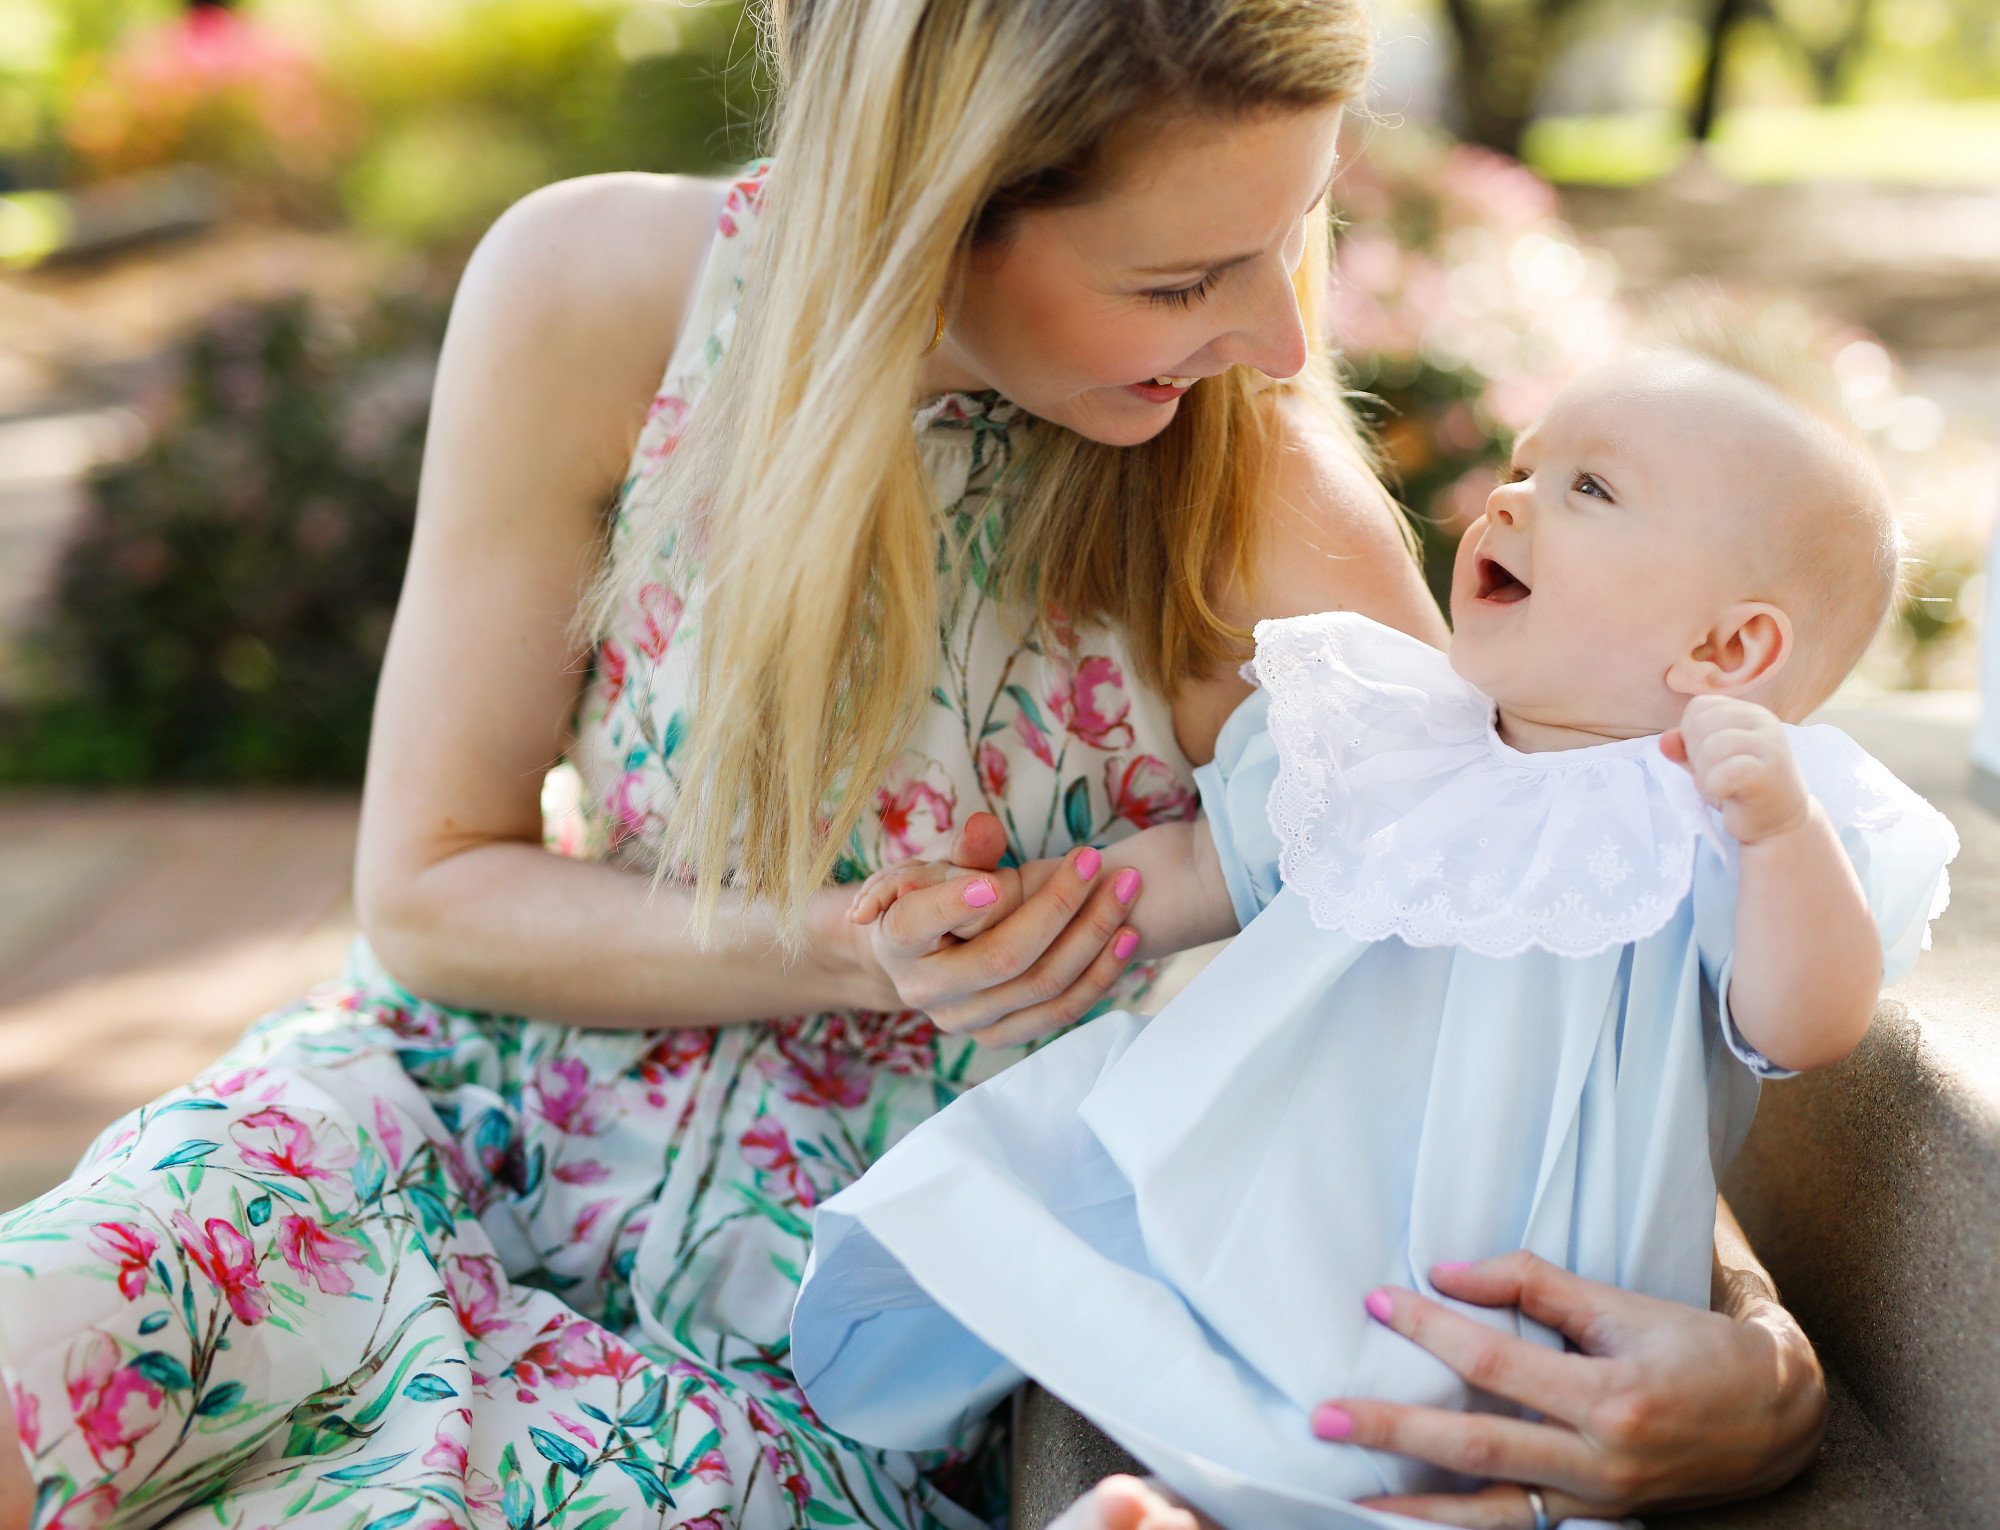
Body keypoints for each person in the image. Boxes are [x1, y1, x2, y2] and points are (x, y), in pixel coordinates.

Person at [0, 4, 1826, 1529]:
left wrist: (1760, 1362)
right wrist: (834, 948)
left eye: (1295, 234)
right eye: (1183, 274)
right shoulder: (598, 295)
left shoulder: (1256, 505)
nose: (1280, 340)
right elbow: (430, 889)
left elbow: (1556, 960)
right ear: (928, 213)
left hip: (816, 1349)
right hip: (408, 1126)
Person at [793, 334, 1957, 1527]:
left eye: (1587, 489)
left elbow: (1801, 1026)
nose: (1509, 498)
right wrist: (1025, 905)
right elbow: (1211, 857)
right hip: (1294, 1183)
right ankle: (1181, 1493)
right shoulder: (1397, 726)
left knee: (1414, 1430)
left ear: (1725, 652)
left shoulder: (1708, 818)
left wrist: (1777, 836)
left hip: (1503, 1259)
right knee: (1186, 1308)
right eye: (1523, 465)